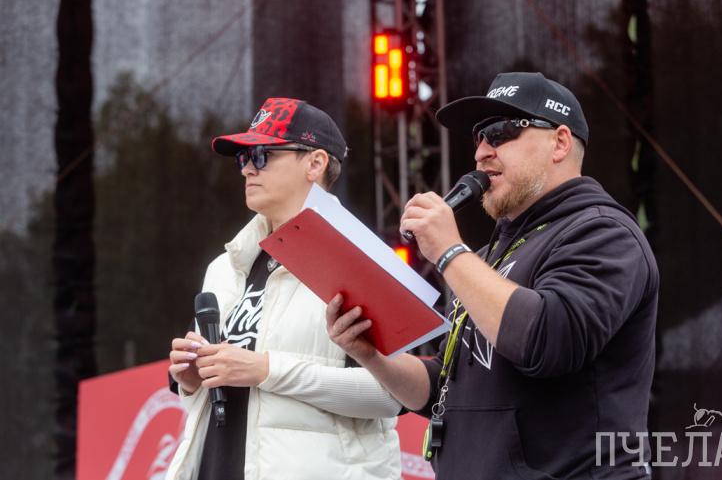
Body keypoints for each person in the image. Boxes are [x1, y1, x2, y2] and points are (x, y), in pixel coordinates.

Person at [327, 72, 659, 479]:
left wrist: (449, 251)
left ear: (559, 142)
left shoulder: (604, 233)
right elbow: (444, 388)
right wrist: (372, 355)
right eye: (479, 136)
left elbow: (546, 341)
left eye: (501, 132)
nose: (482, 152)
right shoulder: (484, 260)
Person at [165, 98, 402, 480]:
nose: (247, 169)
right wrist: (190, 379)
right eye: (242, 158)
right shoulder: (225, 267)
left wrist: (266, 369)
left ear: (315, 163)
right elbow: (220, 400)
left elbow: (391, 395)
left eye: (261, 155)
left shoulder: (359, 259)